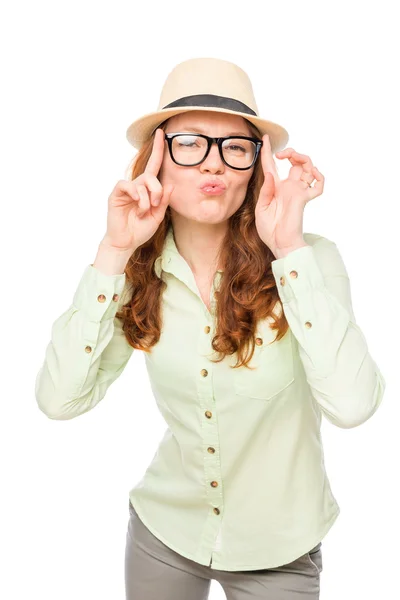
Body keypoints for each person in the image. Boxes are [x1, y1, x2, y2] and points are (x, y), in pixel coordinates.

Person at [35, 57, 386, 599]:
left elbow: (353, 405)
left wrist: (288, 248)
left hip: (280, 550)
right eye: (190, 143)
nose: (213, 165)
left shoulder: (310, 263)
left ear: (256, 165)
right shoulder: (134, 273)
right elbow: (60, 401)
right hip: (165, 533)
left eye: (235, 147)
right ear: (155, 158)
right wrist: (112, 252)